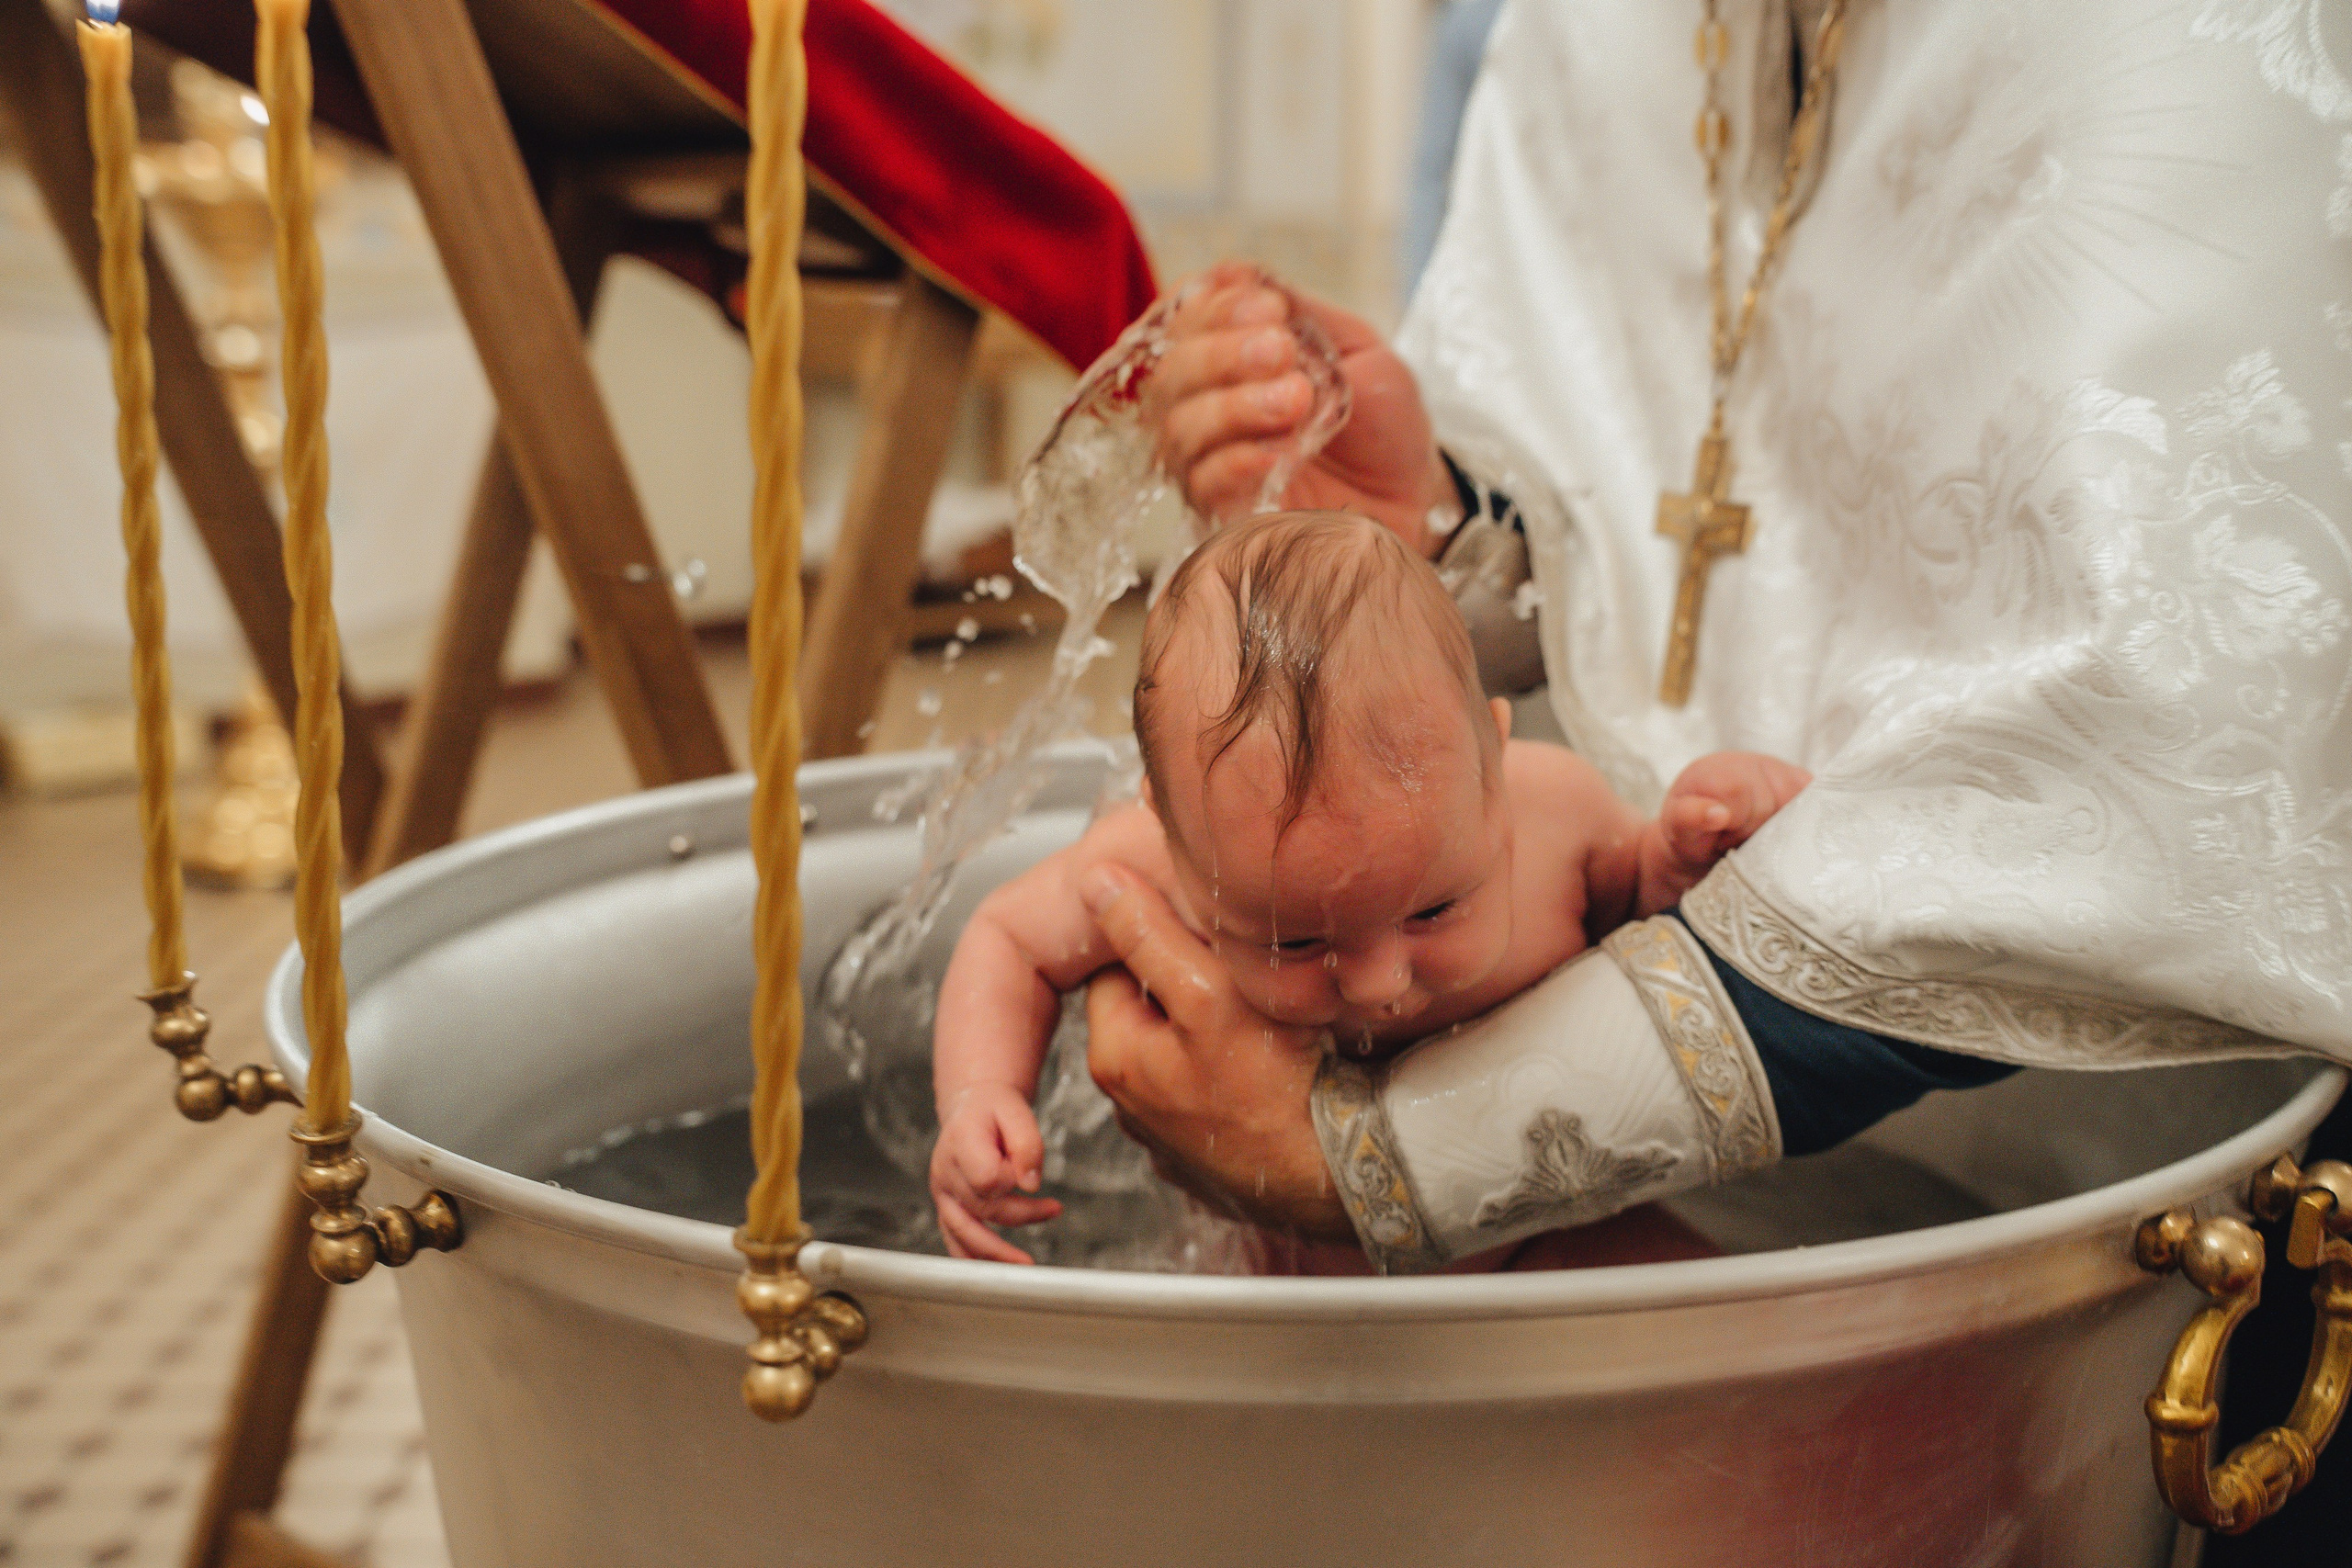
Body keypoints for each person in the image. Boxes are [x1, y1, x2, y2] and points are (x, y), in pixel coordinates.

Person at [1078, 1, 2352, 1277]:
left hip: (2119, 1178)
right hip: (1584, 1067)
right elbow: (1649, 484)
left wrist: (1386, 1154)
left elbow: (2157, 741)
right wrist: (1444, 522)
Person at [928, 512, 1803, 1265]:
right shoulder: (1141, 868)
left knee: (1718, 1310)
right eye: (1297, 940)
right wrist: (981, 1097)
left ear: (1493, 764)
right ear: (1172, 832)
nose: (1380, 981)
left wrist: (1683, 854)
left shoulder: (1556, 813)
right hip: (1286, 1265)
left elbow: (1636, 914)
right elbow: (1007, 941)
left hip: (1541, 1241)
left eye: (1434, 909)